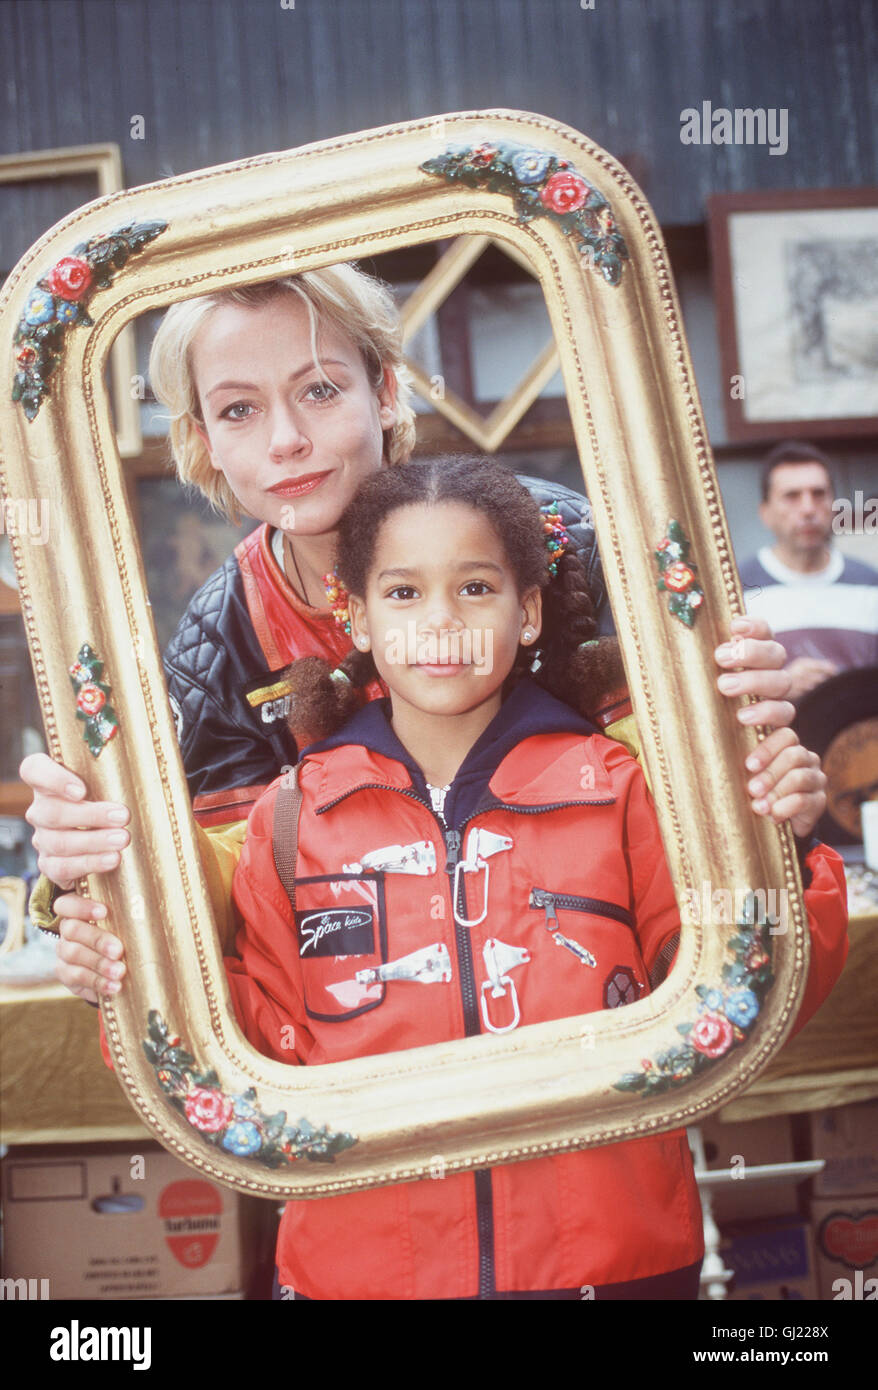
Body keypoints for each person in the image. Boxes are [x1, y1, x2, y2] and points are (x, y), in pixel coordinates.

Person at [64, 458, 847, 1300]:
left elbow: (740, 995)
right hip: (359, 1275)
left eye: (475, 587)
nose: (440, 622)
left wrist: (785, 854)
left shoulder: (617, 790)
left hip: (616, 1265)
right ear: (356, 617)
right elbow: (242, 1046)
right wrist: (124, 959)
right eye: (403, 594)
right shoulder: (290, 820)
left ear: (529, 609)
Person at [23, 269, 811, 1001]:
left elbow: (687, 807)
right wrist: (104, 874)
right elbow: (236, 918)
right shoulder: (217, 644)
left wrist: (750, 760)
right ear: (202, 441)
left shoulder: (556, 540)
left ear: (388, 391)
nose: (286, 439)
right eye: (239, 409)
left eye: (321, 390)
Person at [739, 441, 878, 702]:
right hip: (777, 740)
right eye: (792, 496)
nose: (808, 509)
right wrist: (780, 686)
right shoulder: (738, 589)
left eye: (818, 494)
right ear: (765, 513)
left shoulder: (870, 586)